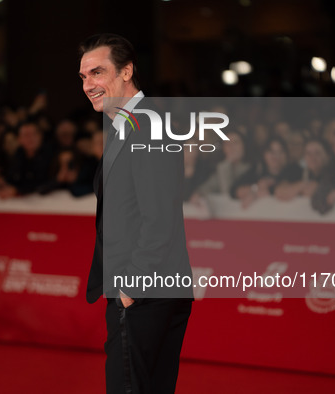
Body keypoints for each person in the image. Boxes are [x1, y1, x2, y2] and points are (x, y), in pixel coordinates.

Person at [79, 33, 192, 394]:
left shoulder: (145, 126)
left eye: (97, 72)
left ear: (127, 71)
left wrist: (131, 286)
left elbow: (159, 217)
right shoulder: (128, 126)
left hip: (145, 293)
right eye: (83, 77)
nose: (89, 84)